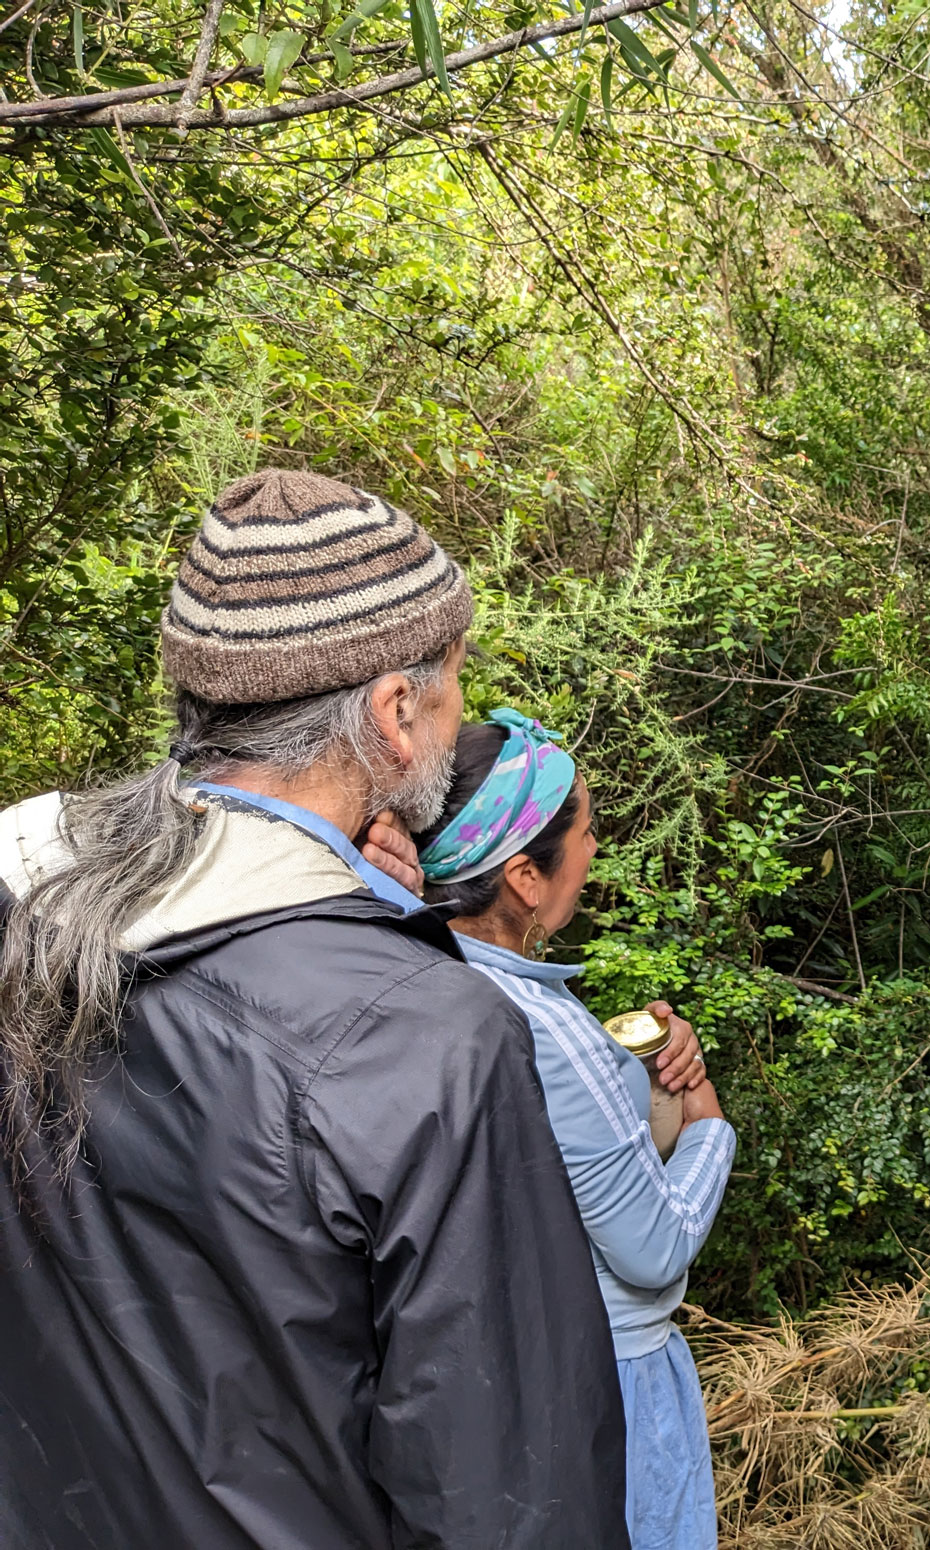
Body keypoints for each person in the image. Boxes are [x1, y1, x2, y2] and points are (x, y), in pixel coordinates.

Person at [0, 470, 632, 1547]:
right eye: (452, 687)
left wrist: (361, 905)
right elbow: (511, 1495)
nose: (455, 717)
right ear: (394, 713)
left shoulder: (29, 903)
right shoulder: (423, 1033)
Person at [418, 713, 737, 1550]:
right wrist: (706, 1122)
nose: (595, 851)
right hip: (610, 1387)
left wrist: (636, 1073)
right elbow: (654, 1248)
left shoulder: (420, 978)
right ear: (524, 875)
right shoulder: (537, 1025)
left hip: (477, 1386)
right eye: (589, 831)